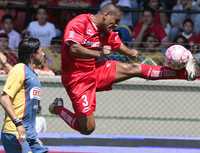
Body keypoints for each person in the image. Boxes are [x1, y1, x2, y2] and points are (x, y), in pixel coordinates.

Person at [49, 4, 196, 135]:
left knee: (134, 68)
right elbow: (73, 48)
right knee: (87, 128)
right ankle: (58, 109)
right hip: (76, 80)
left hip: (96, 70)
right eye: (116, 21)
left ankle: (187, 74)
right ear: (106, 15)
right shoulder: (79, 23)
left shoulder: (107, 29)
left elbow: (117, 45)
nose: (117, 25)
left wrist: (131, 53)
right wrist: (99, 53)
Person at [0, 37, 48, 153]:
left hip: (29, 134)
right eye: (40, 51)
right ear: (32, 54)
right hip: (15, 132)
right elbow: (4, 97)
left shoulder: (33, 74)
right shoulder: (19, 69)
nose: (43, 54)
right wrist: (18, 123)